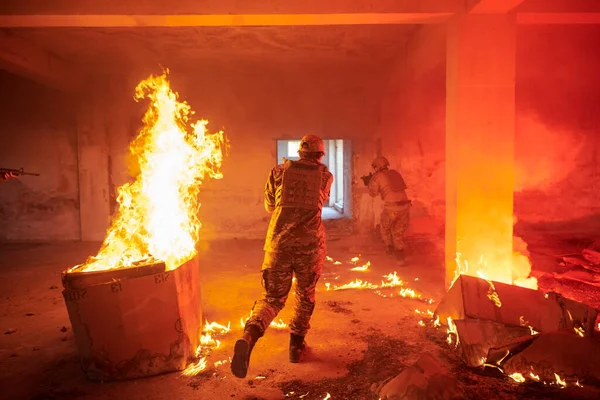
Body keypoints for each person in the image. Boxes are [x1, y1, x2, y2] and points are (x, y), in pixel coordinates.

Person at [231, 134, 333, 379]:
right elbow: (321, 202)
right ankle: (296, 347)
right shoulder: (325, 176)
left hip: (279, 245)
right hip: (310, 248)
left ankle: (249, 335)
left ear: (299, 152)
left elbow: (269, 205)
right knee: (305, 295)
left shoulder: (278, 171)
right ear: (320, 155)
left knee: (273, 298)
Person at [366, 156, 410, 266]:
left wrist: (369, 182)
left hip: (391, 208)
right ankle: (400, 259)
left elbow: (373, 193)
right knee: (398, 232)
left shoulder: (377, 176)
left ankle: (389, 249)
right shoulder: (396, 173)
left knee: (384, 228)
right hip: (405, 207)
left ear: (377, 167)